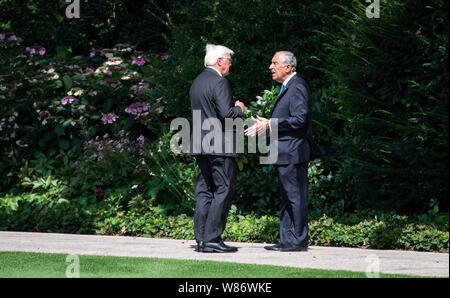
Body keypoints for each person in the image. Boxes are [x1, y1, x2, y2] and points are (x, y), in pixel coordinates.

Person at [245, 51, 311, 251]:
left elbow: (300, 119)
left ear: (288, 67)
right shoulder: (288, 86)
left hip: (292, 152)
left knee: (295, 196)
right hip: (285, 152)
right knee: (287, 197)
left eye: (274, 63)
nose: (270, 67)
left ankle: (297, 241)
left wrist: (269, 124)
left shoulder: (297, 86)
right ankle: (286, 240)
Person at [189, 44, 245, 253]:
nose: (230, 64)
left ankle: (202, 238)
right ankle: (212, 238)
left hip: (200, 144)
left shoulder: (197, 82)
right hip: (219, 146)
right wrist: (239, 108)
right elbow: (227, 115)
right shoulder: (220, 82)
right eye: (229, 60)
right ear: (220, 61)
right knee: (223, 188)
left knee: (204, 190)